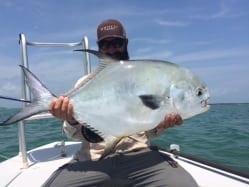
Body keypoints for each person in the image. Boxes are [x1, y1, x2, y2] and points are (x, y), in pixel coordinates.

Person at [43, 19, 198, 187]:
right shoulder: (85, 82)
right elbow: (74, 133)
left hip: (140, 157)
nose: (111, 48)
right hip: (93, 161)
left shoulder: (145, 78)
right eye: (105, 44)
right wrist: (70, 118)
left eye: (117, 43)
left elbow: (148, 130)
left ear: (125, 43)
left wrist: (161, 124)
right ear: (99, 47)